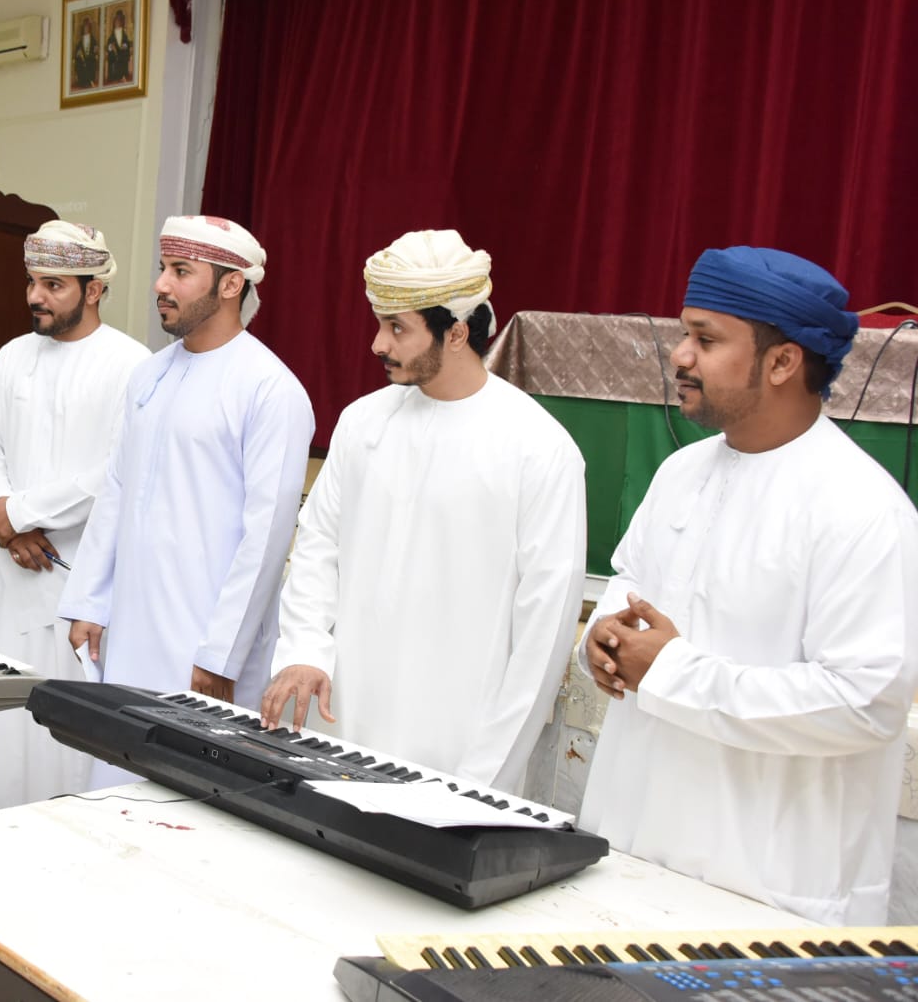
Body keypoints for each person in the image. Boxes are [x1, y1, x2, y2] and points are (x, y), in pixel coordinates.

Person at [578, 246, 918, 926]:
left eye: (705, 339)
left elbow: (866, 703)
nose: (679, 355)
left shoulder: (861, 509)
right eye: (684, 333)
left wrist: (671, 671)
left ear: (783, 362)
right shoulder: (682, 472)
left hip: (767, 890)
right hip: (632, 847)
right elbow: (631, 583)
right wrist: (604, 639)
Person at [260, 230, 586, 793]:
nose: (377, 344)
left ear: (455, 333)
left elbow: (544, 631)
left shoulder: (538, 447)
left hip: (460, 744)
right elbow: (317, 548)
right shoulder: (362, 422)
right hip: (344, 717)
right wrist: (305, 652)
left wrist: (484, 778)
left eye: (397, 328)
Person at [60, 215, 315, 790]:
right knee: (118, 775)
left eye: (181, 271)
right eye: (162, 268)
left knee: (189, 795)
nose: (160, 284)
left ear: (231, 285)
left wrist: (222, 655)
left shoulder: (270, 389)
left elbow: (268, 536)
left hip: (203, 638)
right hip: (132, 622)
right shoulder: (148, 375)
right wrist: (89, 601)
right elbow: (117, 489)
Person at [0, 221, 149, 815]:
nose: (35, 296)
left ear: (95, 289)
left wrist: (18, 513)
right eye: (33, 282)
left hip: (79, 575)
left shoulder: (131, 365)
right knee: (1, 719)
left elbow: (114, 473)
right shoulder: (14, 355)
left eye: (54, 285)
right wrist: (3, 515)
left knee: (66, 728)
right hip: (10, 572)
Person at [104, 8, 134, 86]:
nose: (117, 23)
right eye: (116, 21)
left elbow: (126, 43)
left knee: (122, 57)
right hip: (113, 55)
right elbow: (109, 44)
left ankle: (122, 76)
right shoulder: (112, 35)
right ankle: (114, 77)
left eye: (119, 21)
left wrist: (124, 46)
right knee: (113, 59)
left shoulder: (124, 34)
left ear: (121, 22)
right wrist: (111, 47)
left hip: (122, 54)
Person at [72, 17, 100, 90]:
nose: (86, 29)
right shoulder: (81, 39)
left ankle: (90, 81)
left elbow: (95, 47)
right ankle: (82, 82)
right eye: (85, 28)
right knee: (80, 63)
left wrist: (96, 50)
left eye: (87, 28)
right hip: (82, 58)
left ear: (89, 28)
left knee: (90, 63)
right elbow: (78, 49)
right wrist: (78, 52)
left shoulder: (92, 39)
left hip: (90, 57)